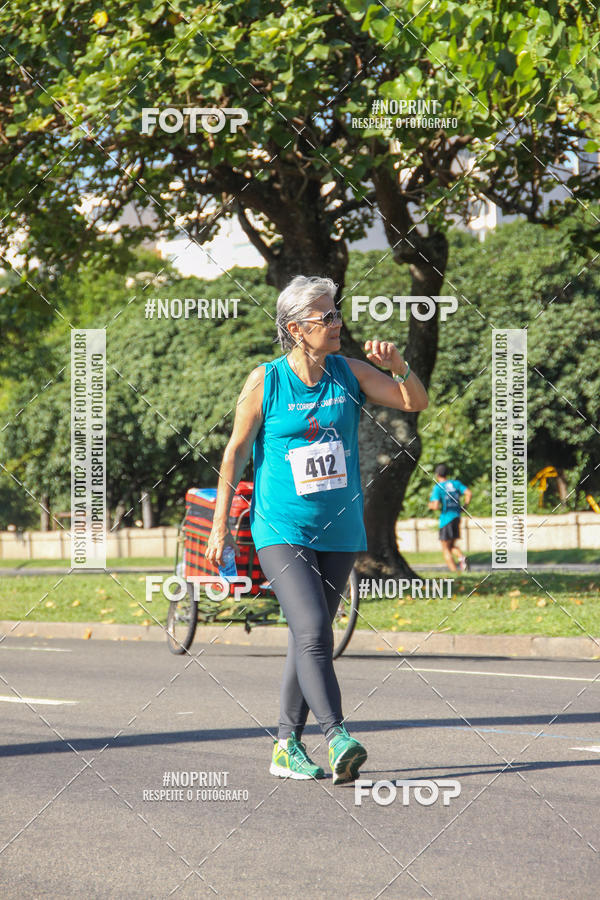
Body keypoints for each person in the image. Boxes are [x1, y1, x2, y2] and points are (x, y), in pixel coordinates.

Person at [205, 275, 428, 784]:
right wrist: (220, 525)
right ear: (294, 329)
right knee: (310, 632)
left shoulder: (349, 373)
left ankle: (285, 746)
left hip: (339, 528)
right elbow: (235, 451)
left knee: (312, 636)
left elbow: (414, 402)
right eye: (324, 317)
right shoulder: (267, 380)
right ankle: (337, 736)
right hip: (280, 527)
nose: (336, 323)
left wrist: (399, 367)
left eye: (336, 313)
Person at [428, 463, 472, 571]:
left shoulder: (438, 487)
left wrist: (430, 505)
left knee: (445, 549)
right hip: (456, 517)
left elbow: (436, 505)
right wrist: (464, 506)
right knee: (451, 545)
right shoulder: (456, 484)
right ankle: (462, 557)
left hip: (446, 519)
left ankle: (454, 572)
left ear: (437, 475)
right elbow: (469, 493)